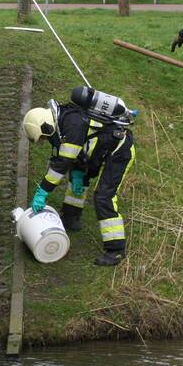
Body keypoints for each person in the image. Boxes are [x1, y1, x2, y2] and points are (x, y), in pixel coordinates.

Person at [22, 90, 135, 266]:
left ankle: (116, 251)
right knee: (78, 179)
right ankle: (71, 218)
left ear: (46, 126)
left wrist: (42, 191)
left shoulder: (71, 124)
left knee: (103, 197)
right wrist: (78, 174)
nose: (46, 141)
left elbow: (63, 162)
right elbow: (78, 154)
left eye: (44, 137)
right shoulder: (65, 120)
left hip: (119, 151)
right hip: (100, 148)